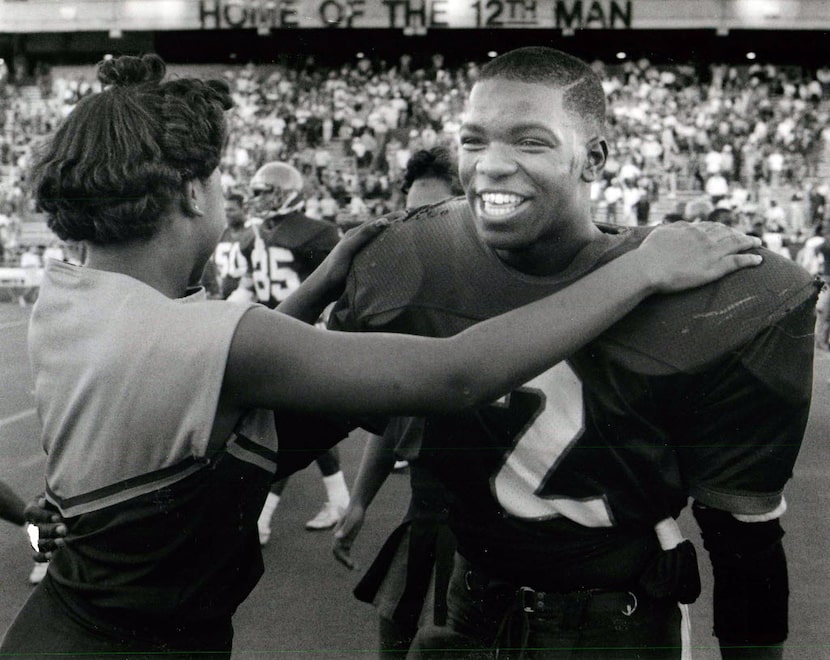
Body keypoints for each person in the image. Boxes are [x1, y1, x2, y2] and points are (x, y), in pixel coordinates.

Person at [5, 54, 759, 658]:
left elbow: (219, 355)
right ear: (190, 195)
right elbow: (455, 374)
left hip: (62, 625)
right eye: (222, 179)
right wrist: (644, 267)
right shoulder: (219, 337)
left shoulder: (66, 295)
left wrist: (325, 284)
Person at [327, 47, 818, 659]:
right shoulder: (414, 256)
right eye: (473, 140)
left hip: (614, 626)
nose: (491, 166)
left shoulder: (722, 293)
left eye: (530, 142)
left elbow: (744, 544)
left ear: (595, 157)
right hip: (469, 607)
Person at [333, 146, 464, 656]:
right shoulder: (405, 295)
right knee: (396, 640)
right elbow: (392, 418)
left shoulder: (506, 291)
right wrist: (359, 500)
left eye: (434, 216)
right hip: (425, 512)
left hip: (491, 530)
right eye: (409, 215)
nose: (417, 229)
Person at [232, 161, 352, 539]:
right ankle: (340, 498)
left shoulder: (317, 233)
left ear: (287, 194)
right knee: (295, 423)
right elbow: (248, 286)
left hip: (301, 335)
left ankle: (261, 519)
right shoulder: (253, 235)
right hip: (268, 332)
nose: (257, 199)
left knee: (279, 425)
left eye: (265, 191)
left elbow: (338, 289)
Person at [205, 191, 252, 300]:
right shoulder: (220, 234)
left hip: (247, 296)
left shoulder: (252, 233)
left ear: (244, 210)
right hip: (221, 295)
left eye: (231, 210)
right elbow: (210, 265)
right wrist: (213, 289)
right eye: (225, 210)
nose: (226, 214)